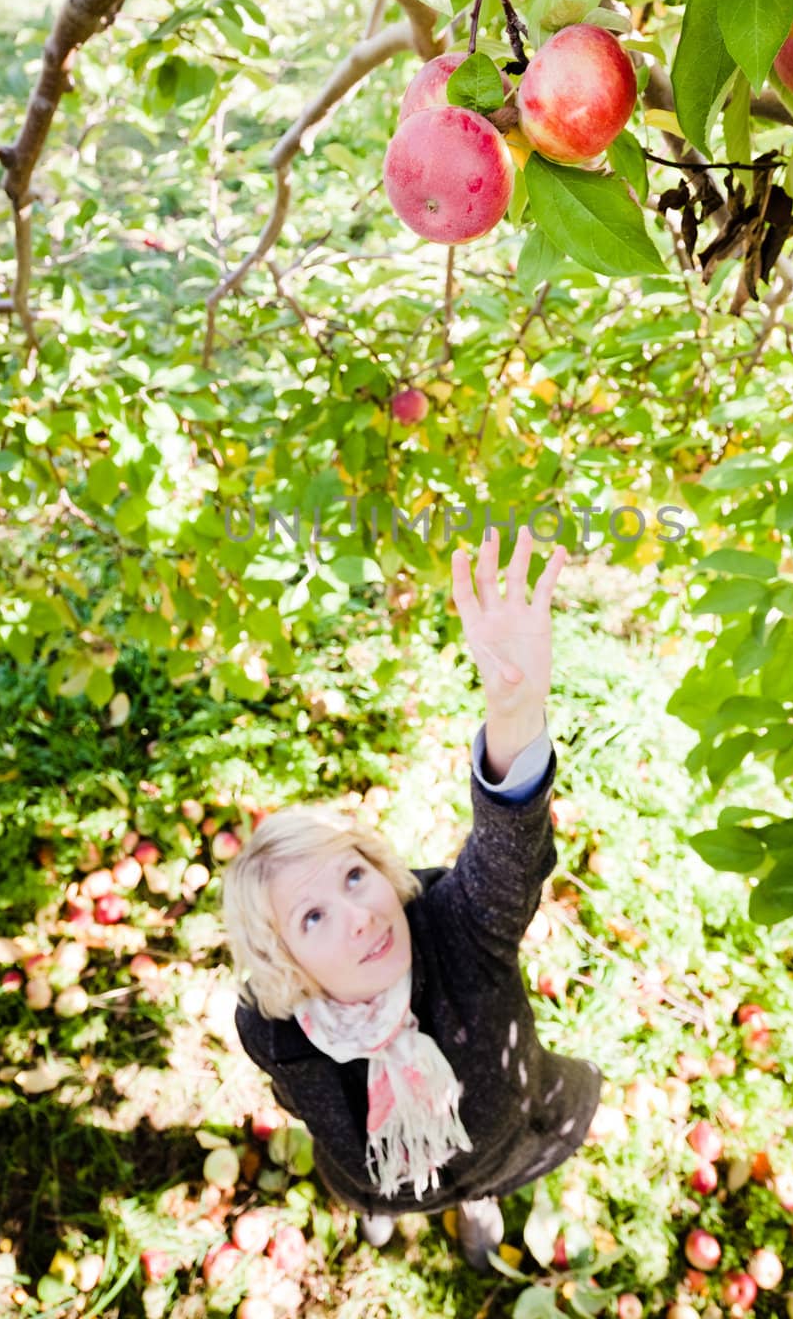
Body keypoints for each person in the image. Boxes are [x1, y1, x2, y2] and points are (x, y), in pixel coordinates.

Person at [222, 527, 603, 1272]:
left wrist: (515, 712)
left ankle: (473, 1202)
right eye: (313, 916)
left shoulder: (455, 929)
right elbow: (307, 1109)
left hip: (498, 1142)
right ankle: (387, 1207)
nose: (357, 912)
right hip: (375, 1176)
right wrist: (373, 1184)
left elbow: (508, 856)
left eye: (354, 876)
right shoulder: (278, 1031)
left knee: (481, 1178)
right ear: (289, 964)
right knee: (376, 1192)